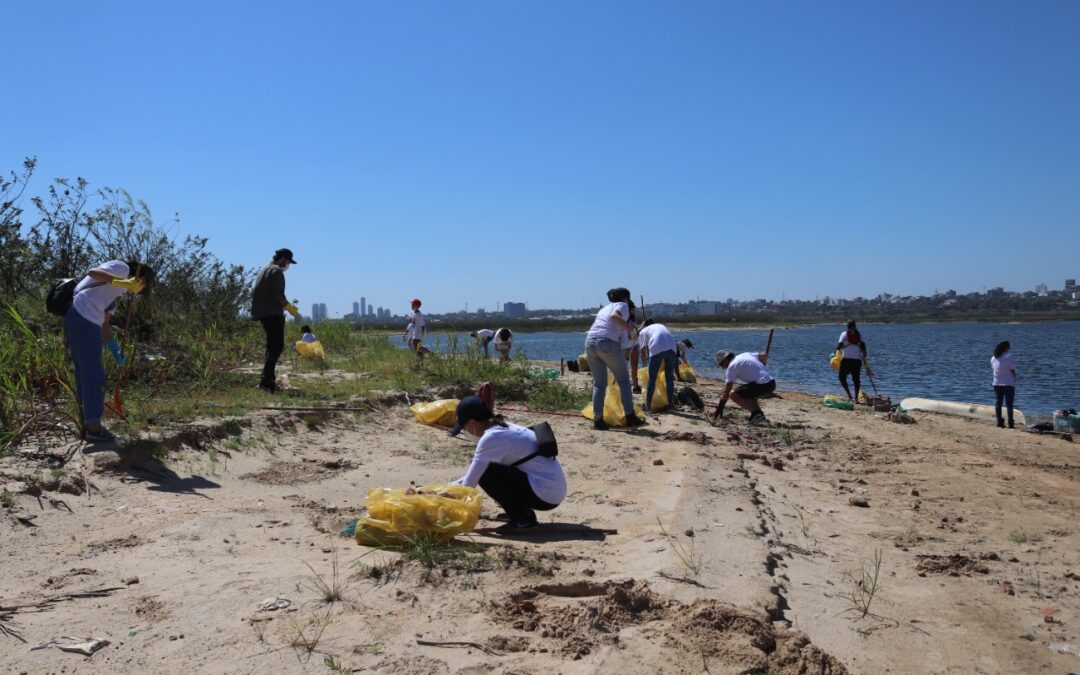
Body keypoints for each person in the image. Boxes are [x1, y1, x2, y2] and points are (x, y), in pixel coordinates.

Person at [64, 260, 154, 442]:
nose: (138, 292)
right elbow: (92, 272)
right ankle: (94, 428)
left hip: (80, 319)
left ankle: (87, 423)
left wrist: (114, 349)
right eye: (142, 286)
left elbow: (105, 325)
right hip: (84, 316)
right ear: (141, 278)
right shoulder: (123, 268)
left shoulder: (115, 296)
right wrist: (123, 281)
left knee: (84, 373)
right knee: (93, 375)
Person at [449, 396, 566, 530]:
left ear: (471, 423)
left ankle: (522, 518)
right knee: (488, 470)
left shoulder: (491, 438)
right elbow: (472, 475)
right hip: (551, 488)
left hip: (545, 494)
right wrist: (446, 488)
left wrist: (447, 505)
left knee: (488, 473)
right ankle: (520, 512)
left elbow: (469, 484)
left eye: (463, 428)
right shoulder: (502, 427)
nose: (465, 432)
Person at [585, 290, 647, 430]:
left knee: (599, 384)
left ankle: (598, 420)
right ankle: (630, 416)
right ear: (626, 298)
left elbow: (624, 343)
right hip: (606, 343)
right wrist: (631, 330)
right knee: (624, 381)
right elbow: (615, 317)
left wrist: (630, 335)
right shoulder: (622, 306)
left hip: (589, 343)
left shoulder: (604, 309)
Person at [251, 248, 300, 393]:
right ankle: (266, 382)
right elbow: (278, 296)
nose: (287, 265)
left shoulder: (264, 269)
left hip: (262, 313)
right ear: (283, 259)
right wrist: (293, 311)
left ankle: (267, 380)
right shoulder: (276, 271)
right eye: (288, 262)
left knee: (272, 346)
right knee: (276, 346)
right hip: (272, 314)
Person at [713, 350, 775, 425]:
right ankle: (758, 415)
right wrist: (762, 362)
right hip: (771, 383)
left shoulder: (732, 367)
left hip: (763, 385)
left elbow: (727, 392)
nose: (723, 367)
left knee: (733, 394)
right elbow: (764, 355)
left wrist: (720, 408)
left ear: (725, 360)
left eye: (722, 364)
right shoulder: (745, 355)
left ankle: (757, 414)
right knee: (744, 393)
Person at [637, 319, 678, 412]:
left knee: (652, 379)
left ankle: (648, 406)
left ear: (644, 326)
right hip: (672, 348)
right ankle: (671, 406)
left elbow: (642, 351)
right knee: (669, 378)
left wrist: (644, 365)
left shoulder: (643, 331)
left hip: (657, 346)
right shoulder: (660, 325)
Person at [835, 320, 871, 401]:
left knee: (842, 377)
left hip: (846, 360)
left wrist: (834, 354)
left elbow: (839, 346)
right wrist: (866, 363)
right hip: (857, 361)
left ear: (847, 326)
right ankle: (856, 400)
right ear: (855, 326)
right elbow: (864, 349)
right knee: (856, 380)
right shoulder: (859, 335)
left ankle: (849, 395)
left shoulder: (844, 334)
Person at [991, 341, 1017, 429]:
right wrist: (1014, 379)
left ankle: (999, 422)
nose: (1009, 349)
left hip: (997, 383)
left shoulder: (993, 358)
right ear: (1006, 348)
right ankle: (1011, 423)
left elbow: (995, 369)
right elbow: (1013, 370)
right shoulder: (1008, 356)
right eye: (1008, 347)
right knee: (1009, 404)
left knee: (998, 402)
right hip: (1008, 383)